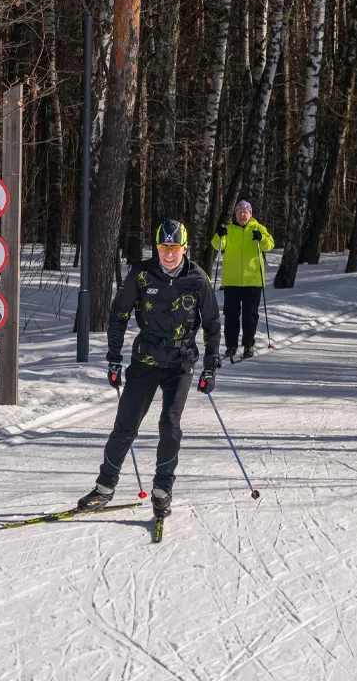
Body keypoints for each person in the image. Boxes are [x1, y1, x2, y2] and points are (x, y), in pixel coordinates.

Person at [78, 220, 222, 520]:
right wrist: (114, 357)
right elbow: (118, 315)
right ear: (156, 248)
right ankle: (105, 487)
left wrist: (210, 365)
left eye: (174, 248)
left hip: (180, 362)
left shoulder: (197, 278)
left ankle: (162, 490)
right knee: (126, 423)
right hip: (145, 360)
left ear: (185, 248)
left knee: (169, 424)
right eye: (163, 248)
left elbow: (211, 322)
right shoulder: (141, 274)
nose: (168, 254)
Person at [211, 200, 275, 361]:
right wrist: (219, 234)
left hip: (252, 280)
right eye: (239, 212)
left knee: (250, 315)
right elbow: (216, 245)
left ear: (250, 214)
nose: (242, 215)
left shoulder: (258, 228)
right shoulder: (229, 229)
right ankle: (231, 346)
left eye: (245, 212)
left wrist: (261, 238)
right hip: (232, 280)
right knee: (231, 315)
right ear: (236, 214)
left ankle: (248, 344)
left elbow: (270, 245)